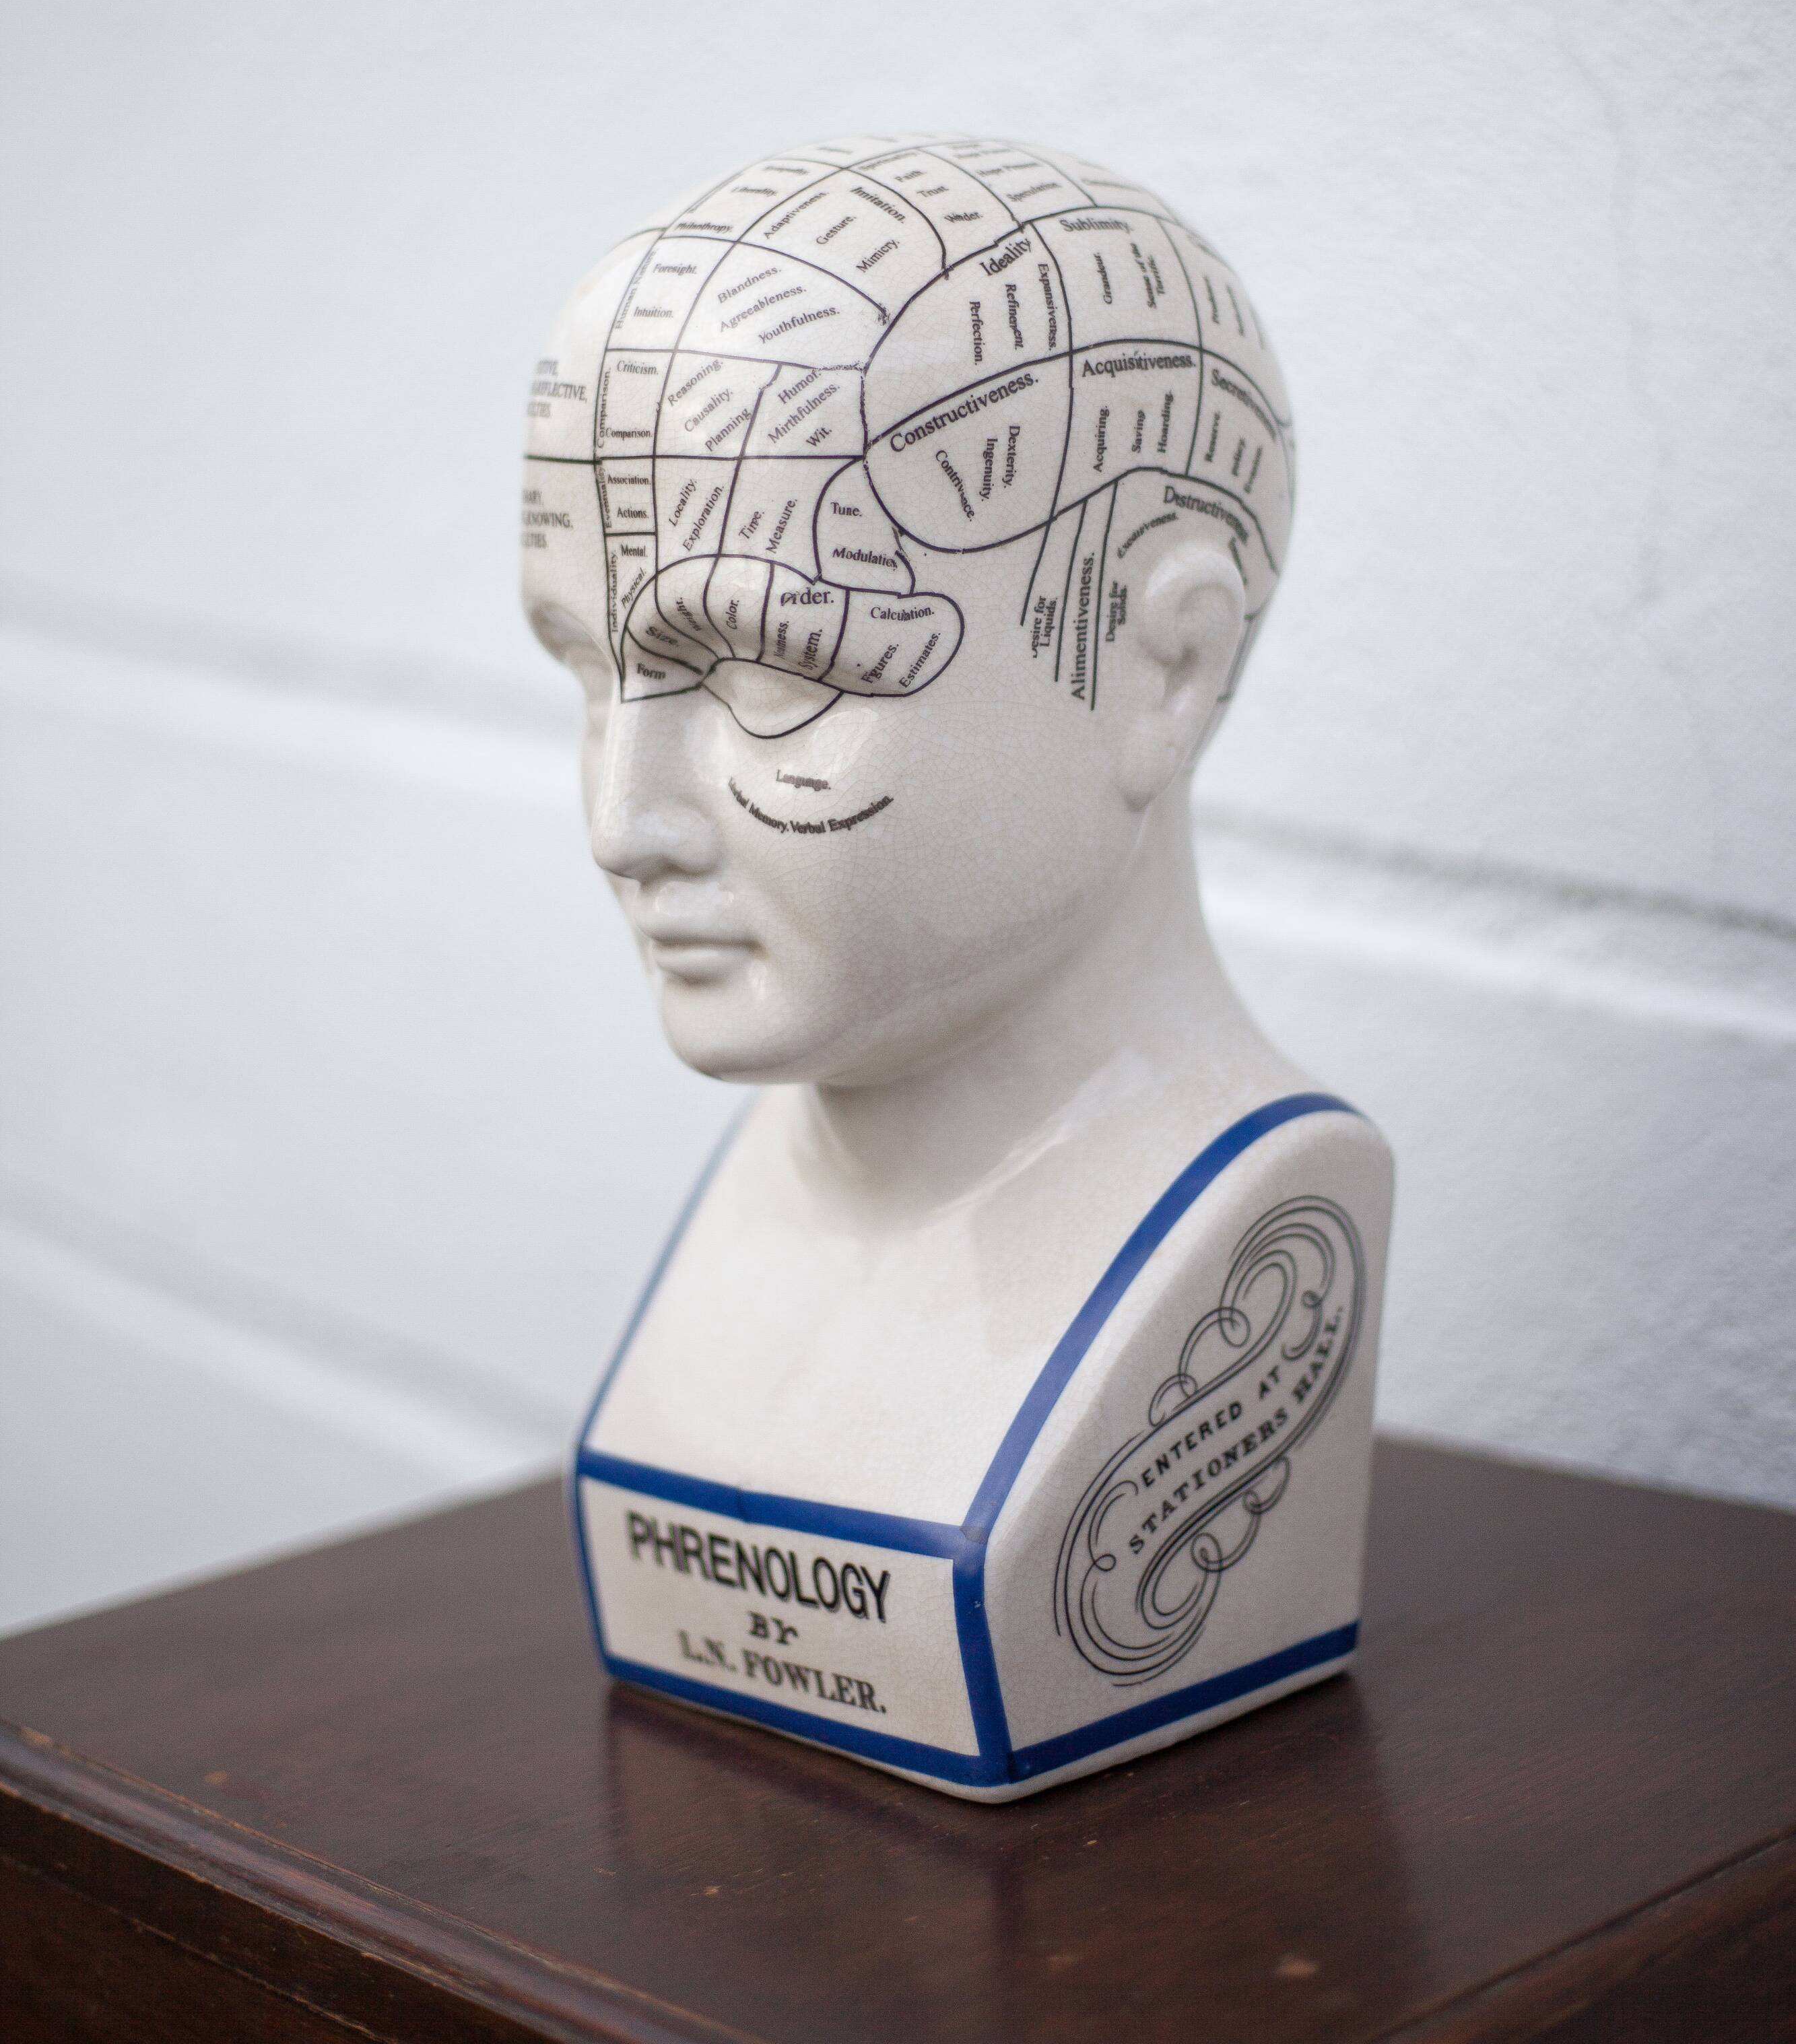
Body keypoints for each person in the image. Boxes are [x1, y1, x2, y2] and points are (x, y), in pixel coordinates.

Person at [523, 134, 1391, 1799]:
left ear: (1165, 670)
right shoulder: (785, 1127)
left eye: (775, 674)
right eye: (583, 664)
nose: (622, 821)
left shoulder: (1257, 1213)